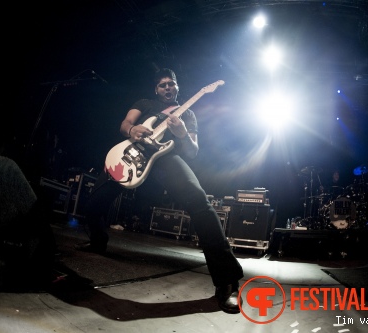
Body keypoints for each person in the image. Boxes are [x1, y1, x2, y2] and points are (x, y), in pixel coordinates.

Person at [75, 68, 244, 314]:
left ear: (177, 88)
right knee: (93, 204)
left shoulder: (188, 114)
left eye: (171, 84)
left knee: (200, 204)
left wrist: (182, 133)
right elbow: (126, 123)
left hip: (166, 158)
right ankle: (98, 241)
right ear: (156, 89)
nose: (167, 87)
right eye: (163, 84)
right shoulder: (145, 103)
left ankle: (228, 281)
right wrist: (132, 131)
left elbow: (193, 151)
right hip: (132, 156)